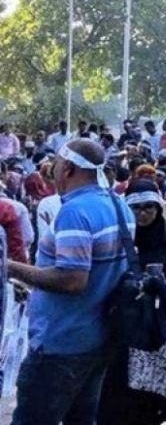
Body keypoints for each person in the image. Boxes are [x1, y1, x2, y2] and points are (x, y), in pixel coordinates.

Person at [9, 139, 132, 425]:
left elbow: (73, 280)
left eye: (55, 164)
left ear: (68, 168)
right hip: (98, 339)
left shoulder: (75, 212)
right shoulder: (118, 205)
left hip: (61, 344)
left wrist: (10, 267)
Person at [98, 180, 166, 425]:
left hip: (153, 331)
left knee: (148, 400)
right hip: (121, 329)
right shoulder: (117, 240)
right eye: (136, 208)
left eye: (148, 207)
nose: (142, 214)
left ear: (158, 208)